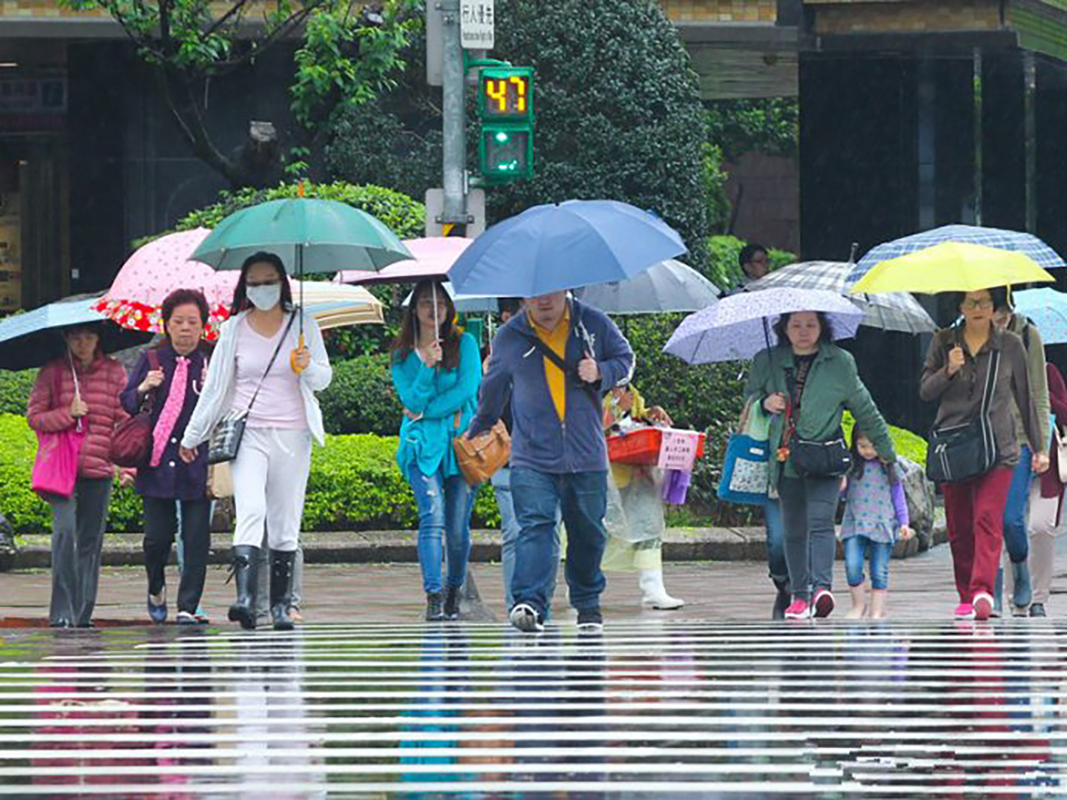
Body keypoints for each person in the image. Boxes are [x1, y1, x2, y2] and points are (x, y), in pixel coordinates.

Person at [181, 252, 332, 631]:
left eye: (269, 281)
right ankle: (246, 600)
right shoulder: (233, 329)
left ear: (282, 282)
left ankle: (282, 606)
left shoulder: (303, 324)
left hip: (293, 434)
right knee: (251, 510)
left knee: (285, 521)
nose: (262, 289)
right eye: (254, 282)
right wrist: (192, 436)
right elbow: (215, 389)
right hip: (247, 434)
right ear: (244, 287)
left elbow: (323, 379)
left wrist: (307, 365)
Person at [468, 291, 634, 633]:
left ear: (565, 288)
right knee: (535, 526)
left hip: (586, 453)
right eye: (533, 295)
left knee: (588, 532)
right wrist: (480, 426)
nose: (543, 301)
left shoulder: (593, 323)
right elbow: (494, 385)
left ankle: (588, 604)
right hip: (531, 455)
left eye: (550, 292)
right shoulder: (511, 335)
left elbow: (625, 360)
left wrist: (600, 371)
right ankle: (529, 602)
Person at [744, 310, 896, 620]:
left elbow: (865, 408)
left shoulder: (840, 362)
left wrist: (888, 453)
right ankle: (799, 596)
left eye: (811, 324)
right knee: (794, 529)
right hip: (785, 458)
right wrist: (764, 402)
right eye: (796, 324)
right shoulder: (767, 360)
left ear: (823, 327)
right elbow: (748, 398)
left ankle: (822, 589)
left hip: (825, 457)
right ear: (784, 327)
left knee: (821, 522)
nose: (803, 331)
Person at [920, 288, 1048, 621]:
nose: (978, 308)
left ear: (994, 306)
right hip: (955, 448)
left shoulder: (1011, 345)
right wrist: (948, 369)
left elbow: (1026, 398)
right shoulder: (943, 340)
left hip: (999, 447)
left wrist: (1039, 447)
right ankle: (966, 594)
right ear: (959, 305)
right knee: (959, 526)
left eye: (985, 302)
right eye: (971, 302)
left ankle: (982, 590)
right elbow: (925, 391)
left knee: (989, 519)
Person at [27, 324, 129, 628]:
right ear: (66, 339)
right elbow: (34, 417)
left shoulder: (114, 372)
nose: (82, 343)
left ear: (98, 339)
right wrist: (66, 414)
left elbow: (125, 420)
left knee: (90, 542)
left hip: (99, 468)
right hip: (62, 470)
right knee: (65, 534)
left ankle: (82, 612)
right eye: (75, 337)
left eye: (88, 337)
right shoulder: (53, 372)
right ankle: (61, 610)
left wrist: (128, 465)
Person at [121, 289, 213, 625]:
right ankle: (155, 585)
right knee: (156, 539)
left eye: (193, 321)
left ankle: (187, 606)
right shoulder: (152, 359)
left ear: (203, 326)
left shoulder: (212, 361)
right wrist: (145, 386)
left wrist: (211, 386)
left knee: (196, 538)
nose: (186, 328)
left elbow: (227, 407)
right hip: (157, 463)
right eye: (179, 321)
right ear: (167, 325)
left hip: (197, 464)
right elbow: (127, 402)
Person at [391, 279, 481, 622]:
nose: (435, 309)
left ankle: (453, 591)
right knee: (432, 516)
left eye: (441, 303)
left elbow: (467, 390)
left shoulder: (465, 343)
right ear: (414, 309)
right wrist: (428, 366)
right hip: (420, 447)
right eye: (427, 303)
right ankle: (432, 596)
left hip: (460, 447)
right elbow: (409, 399)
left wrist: (428, 411)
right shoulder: (402, 355)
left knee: (457, 528)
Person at [992, 293, 1050, 616]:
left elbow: (1040, 394)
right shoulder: (970, 336)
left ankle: (1020, 568)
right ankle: (993, 590)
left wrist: (1040, 445)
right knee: (987, 519)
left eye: (1001, 313)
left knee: (1011, 518)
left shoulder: (1029, 336)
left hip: (1019, 439)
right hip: (984, 440)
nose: (996, 320)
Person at [601, 382, 683, 609]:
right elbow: (589, 427)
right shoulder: (588, 385)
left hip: (639, 476)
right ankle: (580, 585)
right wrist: (615, 409)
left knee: (649, 528)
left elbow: (637, 419)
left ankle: (654, 589)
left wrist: (651, 415)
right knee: (596, 534)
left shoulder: (630, 389)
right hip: (604, 478)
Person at [1007, 361, 1067, 618]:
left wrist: (1041, 395)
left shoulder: (1047, 371)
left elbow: (1064, 413)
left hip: (1046, 468)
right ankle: (1016, 599)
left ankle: (1039, 598)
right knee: (1010, 526)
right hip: (1009, 461)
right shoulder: (998, 373)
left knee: (1041, 527)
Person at [840, 429, 914, 620]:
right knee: (852, 565)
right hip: (855, 522)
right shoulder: (851, 466)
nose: (867, 451)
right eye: (862, 446)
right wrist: (840, 487)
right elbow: (841, 495)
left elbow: (899, 497)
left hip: (883, 523)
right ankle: (858, 605)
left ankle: (877, 610)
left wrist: (904, 522)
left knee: (879, 570)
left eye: (872, 446)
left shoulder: (889, 466)